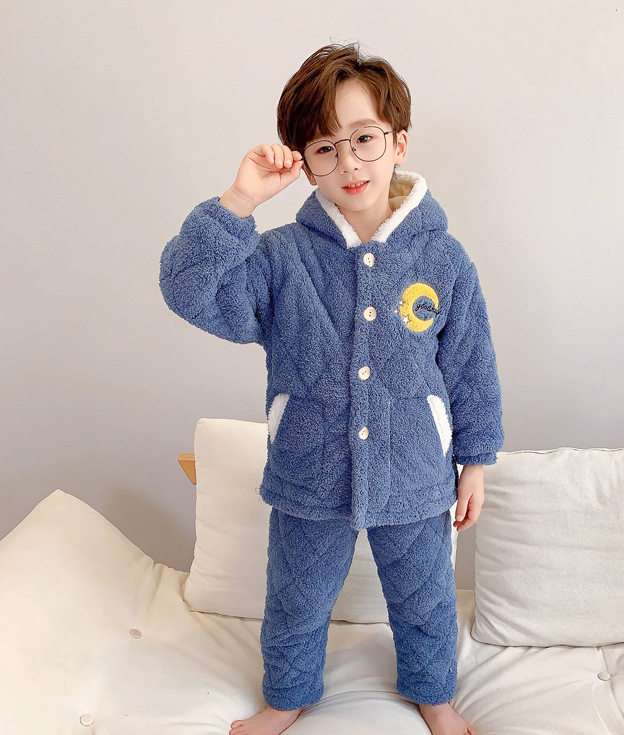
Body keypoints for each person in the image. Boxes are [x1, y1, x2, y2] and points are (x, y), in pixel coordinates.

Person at [159, 42, 504, 735]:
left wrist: (475, 460)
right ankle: (288, 696)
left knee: (427, 600)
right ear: (304, 161)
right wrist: (240, 201)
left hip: (416, 472)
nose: (349, 163)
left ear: (398, 142)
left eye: (365, 139)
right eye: (324, 147)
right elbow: (187, 288)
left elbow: (471, 365)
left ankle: (434, 693)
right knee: (295, 599)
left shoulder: (444, 258)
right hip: (308, 474)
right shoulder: (280, 258)